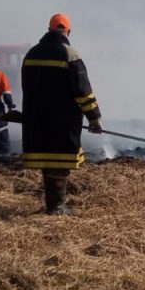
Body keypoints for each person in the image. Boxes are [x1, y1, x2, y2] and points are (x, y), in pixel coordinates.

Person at [21, 13, 103, 216]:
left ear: (48, 29)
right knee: (59, 161)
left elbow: (27, 87)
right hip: (62, 120)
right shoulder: (69, 54)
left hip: (36, 119)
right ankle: (56, 208)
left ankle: (52, 206)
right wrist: (94, 117)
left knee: (47, 161)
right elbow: (82, 90)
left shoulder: (32, 53)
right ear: (68, 31)